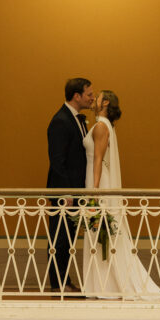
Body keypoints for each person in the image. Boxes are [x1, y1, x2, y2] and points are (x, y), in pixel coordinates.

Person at [82, 90, 160, 300]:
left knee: (99, 231)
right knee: (98, 233)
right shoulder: (105, 126)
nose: (94, 99)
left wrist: (94, 193)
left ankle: (106, 285)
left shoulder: (101, 127)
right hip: (96, 180)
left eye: (98, 97)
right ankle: (102, 284)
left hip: (97, 183)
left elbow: (97, 160)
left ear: (105, 103)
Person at [46, 77, 94, 292]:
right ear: (77, 96)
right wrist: (65, 192)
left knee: (69, 238)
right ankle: (58, 283)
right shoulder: (60, 121)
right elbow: (57, 160)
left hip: (75, 191)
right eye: (89, 94)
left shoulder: (76, 119)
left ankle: (64, 280)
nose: (92, 98)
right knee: (60, 238)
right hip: (64, 192)